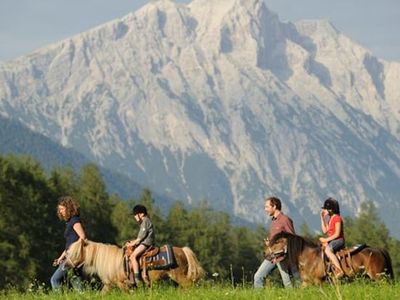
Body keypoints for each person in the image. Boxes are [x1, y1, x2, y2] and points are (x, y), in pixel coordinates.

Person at [254, 196, 297, 289]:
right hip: (272, 255)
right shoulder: (273, 221)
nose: (265, 209)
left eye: (267, 207)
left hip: (282, 257)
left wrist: (287, 254)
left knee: (288, 284)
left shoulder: (285, 219)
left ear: (274, 207)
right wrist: (270, 243)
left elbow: (292, 238)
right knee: (258, 277)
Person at [50, 196, 86, 291]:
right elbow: (69, 244)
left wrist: (74, 252)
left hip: (73, 257)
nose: (60, 211)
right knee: (76, 282)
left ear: (68, 208)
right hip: (70, 256)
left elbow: (83, 237)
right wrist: (60, 258)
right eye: (59, 209)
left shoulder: (74, 221)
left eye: (62, 209)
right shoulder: (69, 222)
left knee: (55, 280)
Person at [125, 204, 155, 285]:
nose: (134, 216)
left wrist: (131, 244)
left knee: (132, 256)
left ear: (141, 214)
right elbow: (139, 238)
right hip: (144, 242)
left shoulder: (145, 221)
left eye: (135, 214)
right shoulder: (143, 222)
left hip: (146, 243)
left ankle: (137, 279)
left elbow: (141, 238)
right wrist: (131, 242)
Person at [319, 197, 345, 278]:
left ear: (331, 209)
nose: (324, 211)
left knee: (328, 250)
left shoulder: (337, 218)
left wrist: (325, 240)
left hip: (338, 240)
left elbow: (337, 234)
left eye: (326, 209)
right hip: (332, 240)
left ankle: (339, 270)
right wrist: (322, 218)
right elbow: (324, 231)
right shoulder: (330, 219)